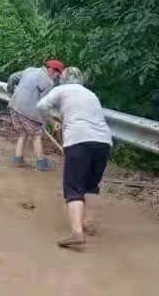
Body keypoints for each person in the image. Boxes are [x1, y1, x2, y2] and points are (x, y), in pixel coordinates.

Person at [36, 67, 113, 248]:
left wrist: (55, 118)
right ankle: (89, 223)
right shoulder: (90, 94)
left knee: (74, 188)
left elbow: (41, 106)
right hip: (103, 142)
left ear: (63, 79)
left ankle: (77, 233)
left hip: (78, 140)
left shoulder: (61, 89)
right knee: (91, 185)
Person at [6, 60, 65, 170]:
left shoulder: (30, 70)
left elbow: (12, 77)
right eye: (58, 74)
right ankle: (41, 162)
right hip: (28, 111)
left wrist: (10, 93)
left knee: (23, 134)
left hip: (14, 106)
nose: (57, 77)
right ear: (52, 70)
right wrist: (51, 121)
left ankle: (18, 159)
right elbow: (43, 105)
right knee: (36, 136)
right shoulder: (48, 82)